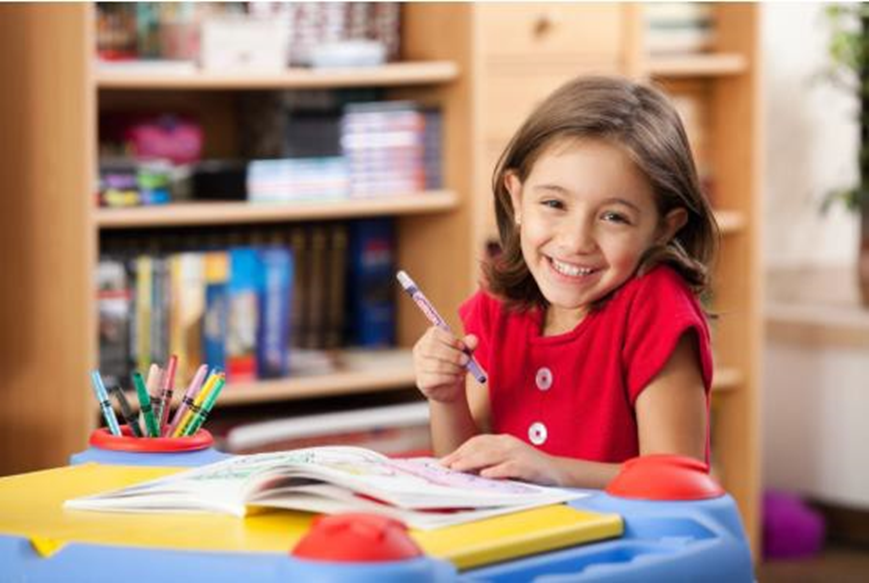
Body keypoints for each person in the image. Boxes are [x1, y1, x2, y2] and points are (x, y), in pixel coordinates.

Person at [411, 75, 718, 489]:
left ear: (664, 228)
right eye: (554, 203)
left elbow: (675, 480)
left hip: (623, 533)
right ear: (516, 198)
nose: (575, 242)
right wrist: (446, 398)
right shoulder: (497, 306)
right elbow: (466, 469)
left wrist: (553, 470)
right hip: (521, 531)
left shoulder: (657, 308)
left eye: (614, 217)